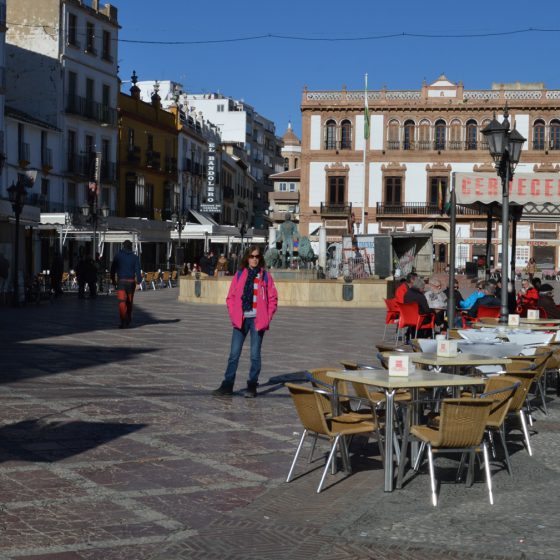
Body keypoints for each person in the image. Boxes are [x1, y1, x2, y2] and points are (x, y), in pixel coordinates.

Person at [213, 245, 278, 398]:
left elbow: (273, 298)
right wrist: (233, 314)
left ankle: (252, 385)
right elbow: (231, 297)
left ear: (260, 258)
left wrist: (267, 317)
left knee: (255, 355)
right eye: (252, 256)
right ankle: (227, 385)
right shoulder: (240, 274)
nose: (254, 259)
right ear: (247, 258)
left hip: (257, 320)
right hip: (241, 320)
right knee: (234, 354)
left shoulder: (265, 276)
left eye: (257, 257)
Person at [110, 240, 142, 328]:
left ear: (123, 246)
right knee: (129, 301)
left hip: (121, 282)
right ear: (131, 247)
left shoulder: (118, 256)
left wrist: (113, 280)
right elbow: (138, 271)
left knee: (122, 301)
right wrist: (139, 281)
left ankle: (123, 320)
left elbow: (112, 270)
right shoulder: (135, 257)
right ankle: (128, 318)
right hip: (131, 282)